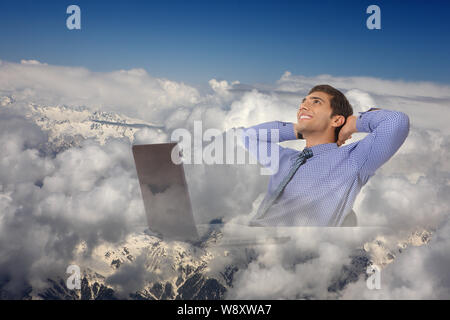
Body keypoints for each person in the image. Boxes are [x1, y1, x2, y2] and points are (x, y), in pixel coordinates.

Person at [239, 84, 410, 227]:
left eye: (316, 102)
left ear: (336, 120)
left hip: (293, 257)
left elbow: (396, 122)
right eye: (303, 102)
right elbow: (248, 136)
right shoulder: (285, 159)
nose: (303, 106)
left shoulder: (352, 161)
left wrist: (352, 124)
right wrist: (300, 130)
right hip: (250, 248)